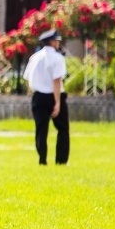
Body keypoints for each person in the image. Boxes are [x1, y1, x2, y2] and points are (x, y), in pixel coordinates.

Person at [23, 29, 69, 165]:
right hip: (55, 95)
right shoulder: (58, 58)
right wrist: (57, 103)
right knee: (62, 129)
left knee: (41, 129)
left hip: (38, 96)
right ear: (53, 42)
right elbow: (56, 81)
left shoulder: (35, 57)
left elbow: (27, 77)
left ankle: (42, 160)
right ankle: (61, 161)